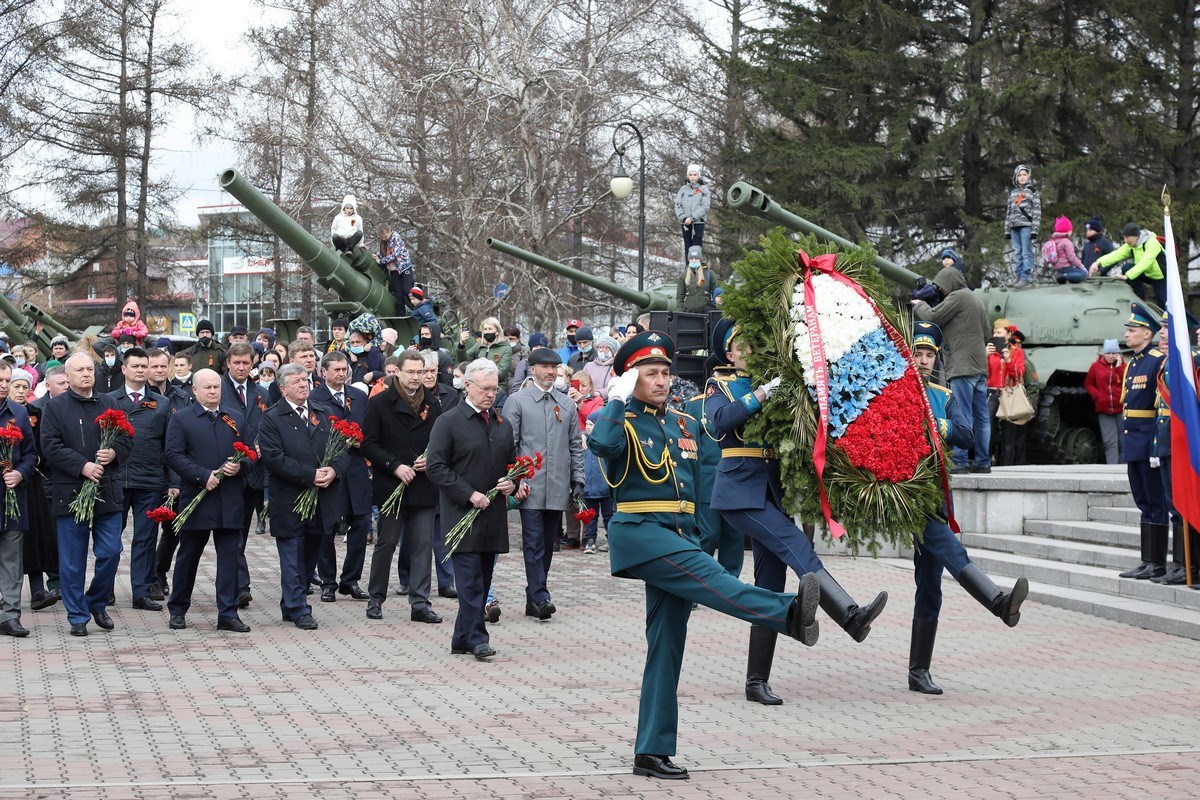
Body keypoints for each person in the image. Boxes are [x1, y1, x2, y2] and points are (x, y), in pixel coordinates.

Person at [587, 331, 820, 780]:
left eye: (665, 372)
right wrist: (614, 402)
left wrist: (699, 537)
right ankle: (789, 613)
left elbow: (694, 491)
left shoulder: (682, 423)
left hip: (679, 536)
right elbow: (602, 450)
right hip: (641, 534)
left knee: (667, 646)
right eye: (650, 373)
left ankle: (650, 751)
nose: (661, 380)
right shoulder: (621, 420)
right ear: (630, 379)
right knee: (718, 582)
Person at [706, 319, 887, 643]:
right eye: (741, 345)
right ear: (729, 355)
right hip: (739, 490)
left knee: (770, 583)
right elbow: (720, 421)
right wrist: (761, 394)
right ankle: (849, 616)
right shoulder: (719, 385)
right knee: (796, 542)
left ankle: (756, 680)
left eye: (753, 341)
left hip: (770, 492)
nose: (750, 348)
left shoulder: (777, 382)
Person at [907, 321, 1030, 694]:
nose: (925, 360)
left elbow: (966, 434)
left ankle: (918, 671)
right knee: (950, 548)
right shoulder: (892, 393)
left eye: (930, 355)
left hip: (937, 493)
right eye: (919, 353)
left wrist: (937, 424)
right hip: (907, 495)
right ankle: (997, 601)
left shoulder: (944, 395)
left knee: (929, 585)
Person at [426, 359, 527, 661]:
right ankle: (478, 638)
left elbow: (511, 463)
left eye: (495, 389)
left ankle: (461, 638)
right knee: (469, 581)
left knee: (482, 580)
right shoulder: (449, 421)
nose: (491, 395)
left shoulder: (501, 423)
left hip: (492, 515)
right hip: (461, 515)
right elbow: (435, 466)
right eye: (485, 388)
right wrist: (468, 494)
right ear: (468, 385)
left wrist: (512, 482)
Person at [41, 353, 133, 636]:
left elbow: (128, 439)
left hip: (106, 490)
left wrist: (114, 452)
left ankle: (95, 601)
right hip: (70, 492)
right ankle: (77, 615)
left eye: (89, 369)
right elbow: (50, 446)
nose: (86, 374)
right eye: (79, 370)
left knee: (111, 552)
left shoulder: (109, 403)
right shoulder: (55, 408)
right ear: (66, 377)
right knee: (72, 560)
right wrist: (82, 466)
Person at [258, 363, 351, 630]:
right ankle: (300, 608)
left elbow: (343, 450)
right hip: (289, 500)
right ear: (282, 387)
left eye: (305, 380)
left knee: (309, 558)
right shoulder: (272, 417)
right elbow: (274, 459)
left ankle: (290, 603)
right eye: (297, 381)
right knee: (292, 557)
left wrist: (333, 470)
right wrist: (310, 475)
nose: (303, 384)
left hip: (322, 499)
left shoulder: (323, 413)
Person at [163, 369, 249, 632]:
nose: (213, 392)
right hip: (197, 498)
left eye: (216, 387)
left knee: (229, 558)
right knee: (188, 556)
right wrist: (202, 476)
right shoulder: (183, 419)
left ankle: (228, 612)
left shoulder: (235, 417)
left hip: (230, 498)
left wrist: (240, 467)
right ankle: (178, 609)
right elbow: (173, 455)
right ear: (195, 390)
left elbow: (250, 453)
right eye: (207, 387)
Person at [362, 350, 443, 621]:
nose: (416, 378)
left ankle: (420, 602)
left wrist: (431, 459)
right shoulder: (380, 403)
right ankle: (376, 599)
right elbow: (368, 443)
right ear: (397, 371)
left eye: (421, 372)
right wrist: (395, 465)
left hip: (423, 485)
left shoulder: (433, 404)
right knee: (386, 543)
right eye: (411, 372)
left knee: (422, 545)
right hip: (391, 483)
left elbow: (442, 443)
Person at [504, 347, 584, 620]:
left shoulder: (566, 404)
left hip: (558, 485)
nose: (550, 372)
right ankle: (540, 596)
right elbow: (509, 445)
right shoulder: (518, 401)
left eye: (555, 367)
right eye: (545, 367)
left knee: (549, 545)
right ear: (533, 369)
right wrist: (515, 481)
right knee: (533, 542)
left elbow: (575, 446)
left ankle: (533, 596)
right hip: (530, 485)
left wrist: (578, 480)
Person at [108, 346, 173, 612]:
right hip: (116, 480)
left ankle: (142, 592)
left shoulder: (162, 403)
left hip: (150, 481)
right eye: (135, 366)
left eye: (144, 366)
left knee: (145, 539)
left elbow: (171, 446)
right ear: (123, 369)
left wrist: (174, 482)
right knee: (110, 539)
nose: (140, 370)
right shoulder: (110, 400)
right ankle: (105, 590)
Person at [912, 265, 991, 472]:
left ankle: (961, 461)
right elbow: (987, 332)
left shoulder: (958, 297)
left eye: (942, 287)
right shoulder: (976, 300)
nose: (942, 292)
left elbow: (931, 317)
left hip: (962, 366)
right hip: (979, 366)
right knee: (982, 416)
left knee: (962, 415)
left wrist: (919, 304)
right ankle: (983, 462)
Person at [310, 351, 373, 606]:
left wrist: (360, 440)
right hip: (328, 468)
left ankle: (351, 580)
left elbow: (368, 429)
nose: (341, 373)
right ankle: (327, 582)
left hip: (356, 467)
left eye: (344, 369)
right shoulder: (315, 397)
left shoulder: (358, 396)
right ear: (323, 372)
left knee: (360, 522)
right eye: (335, 369)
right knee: (327, 527)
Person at [1116, 303, 1168, 580]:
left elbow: (1159, 407)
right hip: (1134, 441)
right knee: (1143, 501)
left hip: (1149, 441)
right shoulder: (1134, 362)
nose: (1128, 334)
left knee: (1155, 501)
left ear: (1147, 334)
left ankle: (1158, 562)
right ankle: (1147, 560)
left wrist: (1156, 447)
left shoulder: (1157, 360)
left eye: (1133, 329)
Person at [1150, 312, 1200, 586]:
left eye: (1168, 327)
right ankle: (1182, 563)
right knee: (1173, 503)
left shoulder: (1189, 360)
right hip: (1169, 439)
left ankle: (1190, 565)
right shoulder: (1170, 361)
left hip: (1183, 440)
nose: (1162, 332)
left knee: (1183, 502)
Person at [221, 343, 266, 609]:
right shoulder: (219, 390)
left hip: (254, 474)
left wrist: (263, 446)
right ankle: (240, 586)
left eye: (245, 363)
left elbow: (267, 423)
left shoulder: (260, 393)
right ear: (228, 363)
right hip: (228, 470)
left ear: (252, 364)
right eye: (236, 362)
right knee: (232, 533)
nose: (241, 367)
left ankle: (236, 583)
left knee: (242, 533)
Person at [19, 367, 62, 613]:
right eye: (16, 386)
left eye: (25, 387)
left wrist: (32, 461)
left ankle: (38, 590)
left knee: (33, 536)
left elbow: (44, 447)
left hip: (31, 481)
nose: (20, 391)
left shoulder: (36, 413)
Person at [0, 363, 38, 637]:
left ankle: (10, 615)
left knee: (12, 559)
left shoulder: (19, 412)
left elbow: (31, 454)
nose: (3, 385)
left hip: (11, 496)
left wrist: (19, 473)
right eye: (0, 380)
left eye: (7, 380)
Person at [1093, 223, 1167, 307]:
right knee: (1126, 268)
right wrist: (1098, 262)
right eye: (1124, 237)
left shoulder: (1152, 243)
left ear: (1136, 236)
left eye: (1127, 237)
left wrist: (1127, 276)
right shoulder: (1131, 245)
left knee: (1165, 305)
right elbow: (1117, 254)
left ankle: (1184, 319)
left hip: (1160, 277)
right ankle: (1140, 296)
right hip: (1147, 274)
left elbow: (1145, 262)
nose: (1125, 241)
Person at [986, 320, 1027, 466]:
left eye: (999, 332)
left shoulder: (1017, 351)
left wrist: (1009, 360)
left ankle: (1006, 467)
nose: (995, 335)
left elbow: (1020, 374)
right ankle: (985, 462)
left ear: (1008, 334)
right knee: (987, 431)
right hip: (992, 394)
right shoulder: (990, 351)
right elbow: (982, 374)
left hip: (1008, 395)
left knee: (1008, 436)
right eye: (994, 332)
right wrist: (985, 356)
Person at [1085, 339, 1126, 465]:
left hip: (1121, 409)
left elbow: (1126, 381)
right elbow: (1088, 383)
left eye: (1114, 353)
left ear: (1118, 354)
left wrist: (1119, 367)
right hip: (1104, 409)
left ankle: (1124, 468)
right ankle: (1112, 468)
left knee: (1123, 441)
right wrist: (1097, 395)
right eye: (1108, 353)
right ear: (1104, 353)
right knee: (1110, 442)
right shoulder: (1095, 367)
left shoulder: (1124, 367)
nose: (1111, 356)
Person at [579, 409, 613, 554]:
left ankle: (611, 540)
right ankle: (590, 540)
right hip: (589, 487)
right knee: (591, 517)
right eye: (586, 424)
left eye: (591, 424)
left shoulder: (605, 443)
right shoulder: (583, 442)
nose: (587, 427)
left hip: (605, 487)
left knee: (608, 516)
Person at [1004, 164, 1041, 289]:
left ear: (1028, 176)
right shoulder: (1013, 193)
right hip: (1014, 226)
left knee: (1026, 252)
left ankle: (1025, 277)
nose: (1022, 177)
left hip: (1026, 226)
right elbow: (1009, 211)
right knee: (1018, 253)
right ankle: (1018, 276)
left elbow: (1037, 211)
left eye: (1024, 174)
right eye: (1019, 175)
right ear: (1016, 177)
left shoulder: (1032, 191)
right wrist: (1007, 229)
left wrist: (1034, 229)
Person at [458, 317, 513, 385]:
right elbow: (464, 361)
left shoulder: (505, 348)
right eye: (485, 329)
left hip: (497, 387)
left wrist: (478, 375)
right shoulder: (479, 344)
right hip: (478, 385)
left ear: (497, 332)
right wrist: (461, 344)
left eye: (490, 329)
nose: (487, 332)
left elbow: (501, 373)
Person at [674, 164, 710, 258]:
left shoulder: (704, 189)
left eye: (695, 174)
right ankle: (688, 268)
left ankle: (697, 268)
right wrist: (684, 218)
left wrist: (692, 218)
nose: (693, 177)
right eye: (690, 175)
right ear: (688, 176)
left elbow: (705, 206)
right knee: (687, 246)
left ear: (699, 176)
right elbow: (678, 205)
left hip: (698, 222)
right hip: (685, 222)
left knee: (697, 245)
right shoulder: (683, 189)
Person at [378, 224, 415, 301]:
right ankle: (401, 313)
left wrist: (381, 261)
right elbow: (381, 253)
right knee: (398, 295)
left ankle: (419, 306)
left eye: (385, 236)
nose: (384, 239)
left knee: (407, 290)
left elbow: (395, 255)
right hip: (393, 270)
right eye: (382, 237)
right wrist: (376, 257)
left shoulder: (396, 238)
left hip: (404, 267)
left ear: (389, 231)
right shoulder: (384, 242)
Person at [1046, 216, 1088, 283]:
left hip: (1056, 269)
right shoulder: (1066, 242)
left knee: (1075, 272)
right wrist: (1082, 267)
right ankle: (1065, 276)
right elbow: (1072, 258)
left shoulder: (1053, 241)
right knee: (1083, 274)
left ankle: (1062, 277)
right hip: (1066, 268)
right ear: (1068, 231)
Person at [675, 247, 714, 312]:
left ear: (700, 259)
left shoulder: (709, 274)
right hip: (689, 313)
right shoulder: (683, 276)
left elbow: (716, 289)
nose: (694, 260)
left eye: (696, 258)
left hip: (706, 313)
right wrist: (679, 312)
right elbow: (680, 297)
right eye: (691, 258)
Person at [583, 333, 617, 399]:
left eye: (604, 347)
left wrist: (600, 393)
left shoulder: (617, 367)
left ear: (612, 350)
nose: (601, 350)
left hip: (609, 403)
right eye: (599, 347)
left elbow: (617, 386)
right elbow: (582, 382)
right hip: (590, 401)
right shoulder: (589, 366)